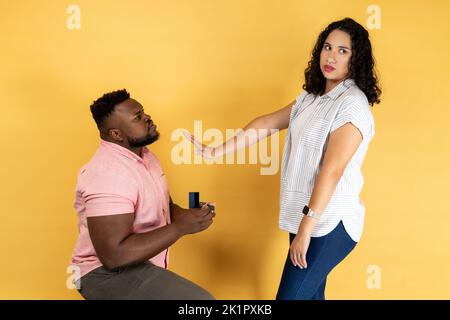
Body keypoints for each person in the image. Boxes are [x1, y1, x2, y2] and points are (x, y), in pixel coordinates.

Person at [185, 17, 381, 299]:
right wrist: (217, 151)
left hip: (329, 223)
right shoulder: (311, 98)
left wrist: (305, 230)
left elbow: (332, 170)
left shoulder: (352, 104)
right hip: (306, 217)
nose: (331, 56)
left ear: (356, 58)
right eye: (327, 47)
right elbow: (266, 123)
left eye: (343, 51)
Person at [70, 89, 216, 300]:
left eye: (143, 112)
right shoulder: (108, 174)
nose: (147, 117)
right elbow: (114, 255)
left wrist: (185, 215)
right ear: (116, 134)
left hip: (139, 264)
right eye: (137, 117)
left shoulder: (144, 156)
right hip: (102, 273)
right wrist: (180, 227)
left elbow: (162, 202)